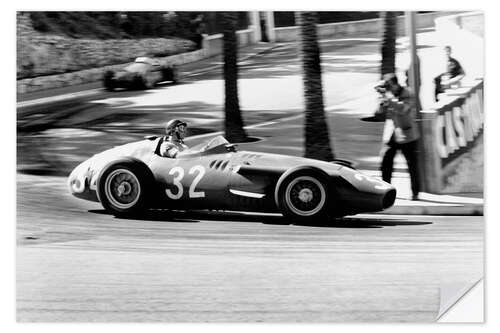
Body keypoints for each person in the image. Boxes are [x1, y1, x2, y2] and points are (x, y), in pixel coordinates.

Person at [379, 73, 421, 200]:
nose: (388, 88)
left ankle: (415, 192)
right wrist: (382, 100)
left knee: (412, 165)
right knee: (386, 162)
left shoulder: (408, 93)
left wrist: (388, 97)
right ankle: (386, 191)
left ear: (395, 84)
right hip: (393, 133)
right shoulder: (389, 94)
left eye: (389, 86)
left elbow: (404, 109)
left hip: (407, 134)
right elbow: (379, 112)